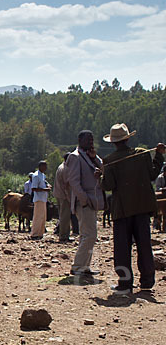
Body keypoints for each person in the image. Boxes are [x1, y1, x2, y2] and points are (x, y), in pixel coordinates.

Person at [100, 123, 165, 294]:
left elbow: (108, 185)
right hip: (142, 207)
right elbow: (152, 175)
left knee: (122, 247)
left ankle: (125, 282)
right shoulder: (142, 154)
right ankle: (147, 281)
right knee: (144, 244)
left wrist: (99, 176)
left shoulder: (110, 161)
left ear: (113, 142)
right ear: (128, 138)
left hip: (122, 210)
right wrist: (159, 156)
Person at [65, 130, 104, 276]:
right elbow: (74, 182)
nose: (91, 142)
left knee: (87, 234)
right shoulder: (75, 157)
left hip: (92, 200)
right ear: (80, 140)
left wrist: (95, 159)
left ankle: (85, 266)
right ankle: (78, 267)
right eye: (88, 140)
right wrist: (84, 200)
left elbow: (103, 168)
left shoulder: (90, 156)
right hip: (85, 202)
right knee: (90, 235)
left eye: (92, 140)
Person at [53, 153, 73, 243]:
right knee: (65, 216)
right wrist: (69, 197)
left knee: (62, 215)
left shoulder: (60, 166)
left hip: (58, 194)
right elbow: (66, 185)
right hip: (64, 196)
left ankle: (62, 233)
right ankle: (64, 236)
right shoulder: (66, 169)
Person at [30, 161, 51, 239]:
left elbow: (45, 182)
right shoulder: (36, 176)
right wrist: (45, 190)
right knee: (38, 217)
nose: (46, 168)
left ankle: (40, 233)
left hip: (43, 198)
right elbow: (34, 188)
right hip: (39, 198)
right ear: (40, 166)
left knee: (43, 217)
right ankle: (35, 233)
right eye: (44, 166)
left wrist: (48, 185)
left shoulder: (42, 175)